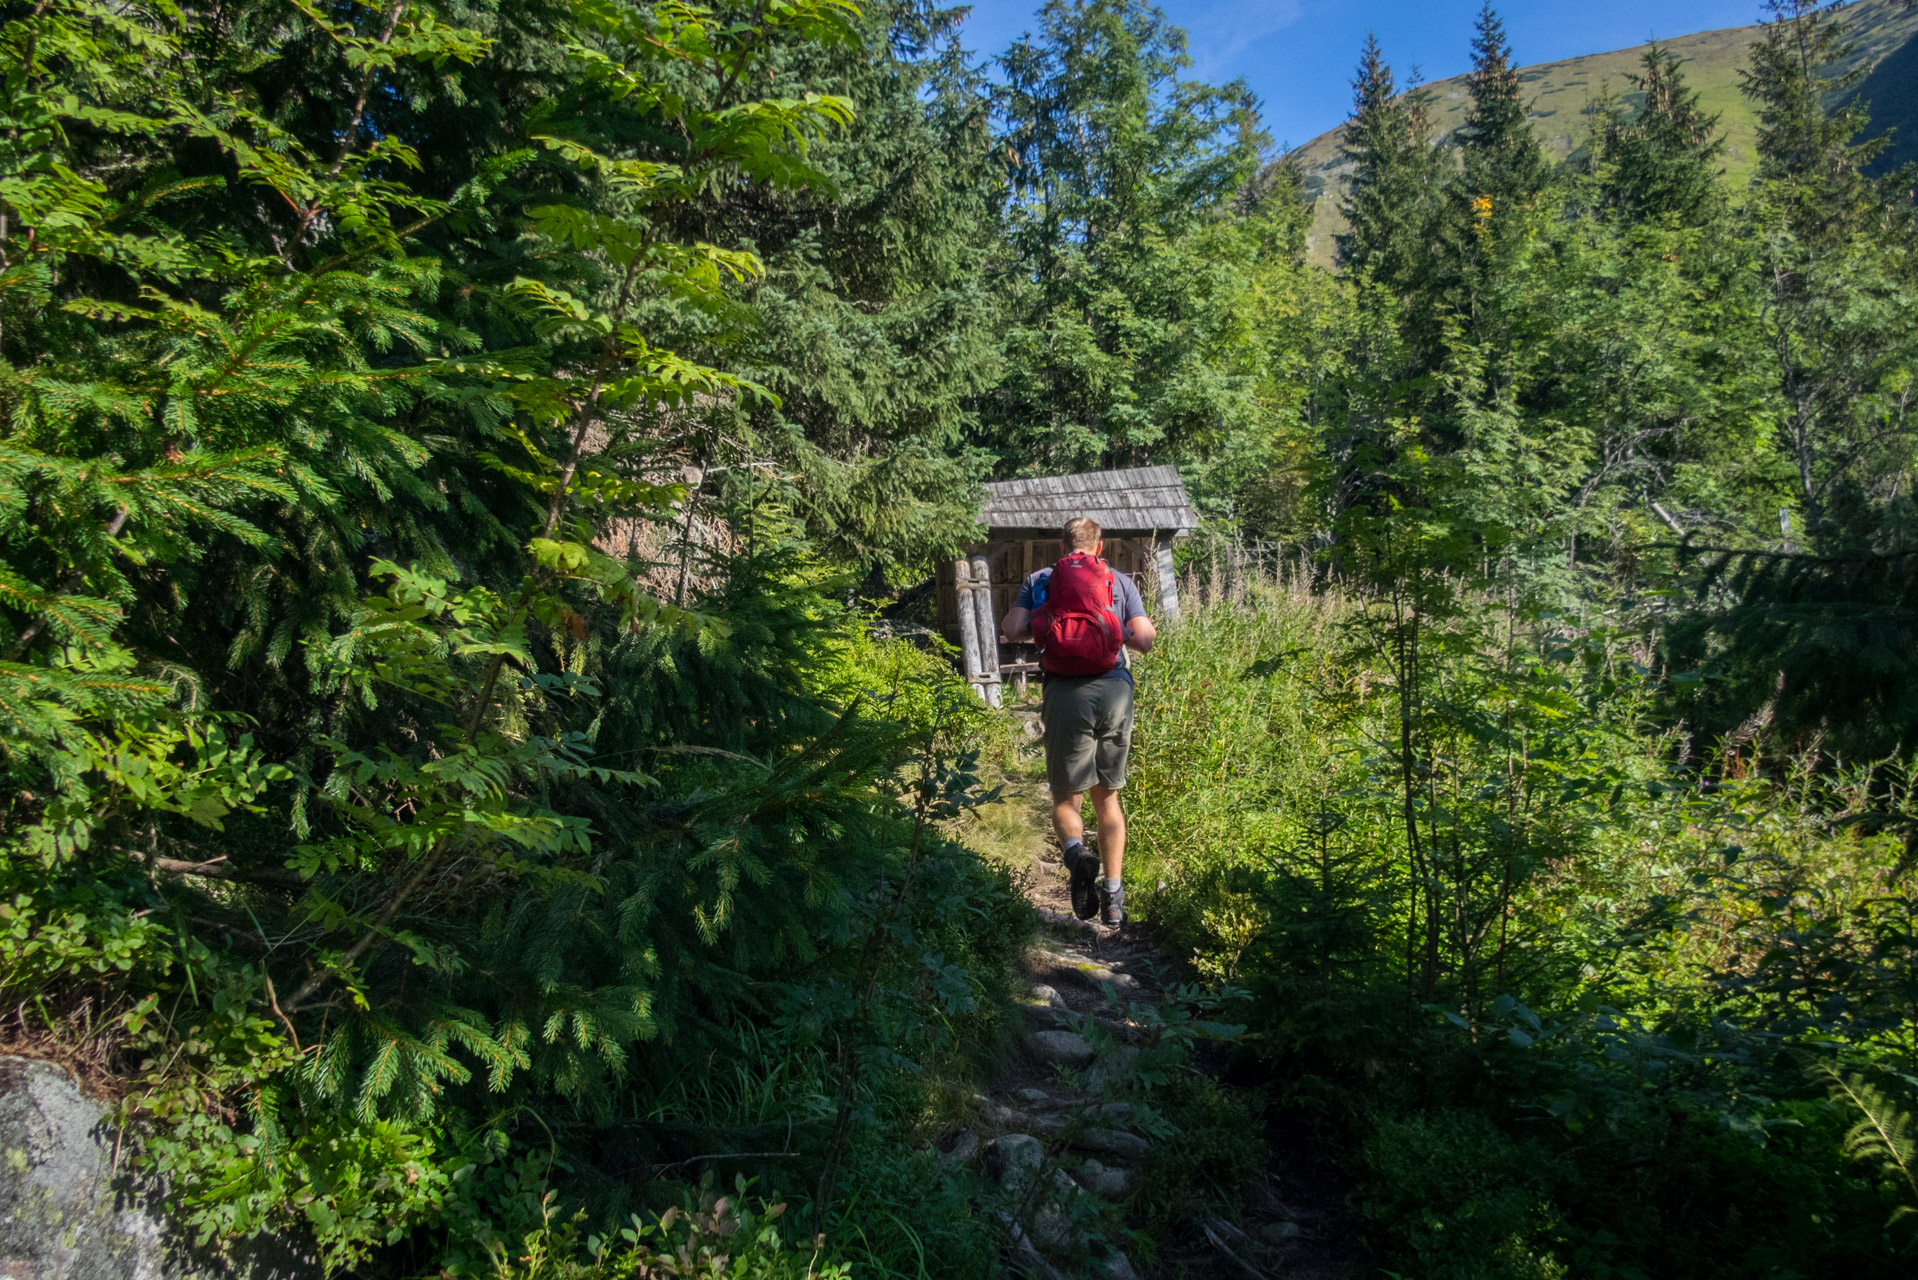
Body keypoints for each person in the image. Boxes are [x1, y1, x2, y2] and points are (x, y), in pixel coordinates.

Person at [1001, 517, 1156, 927]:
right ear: (1099, 546)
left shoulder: (1040, 579)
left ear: (1061, 545)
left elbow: (1012, 628)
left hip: (1066, 692)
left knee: (1066, 800)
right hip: (1115, 692)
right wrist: (1113, 629)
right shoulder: (1119, 581)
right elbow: (1144, 639)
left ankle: (1076, 853)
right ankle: (1113, 898)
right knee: (1108, 800)